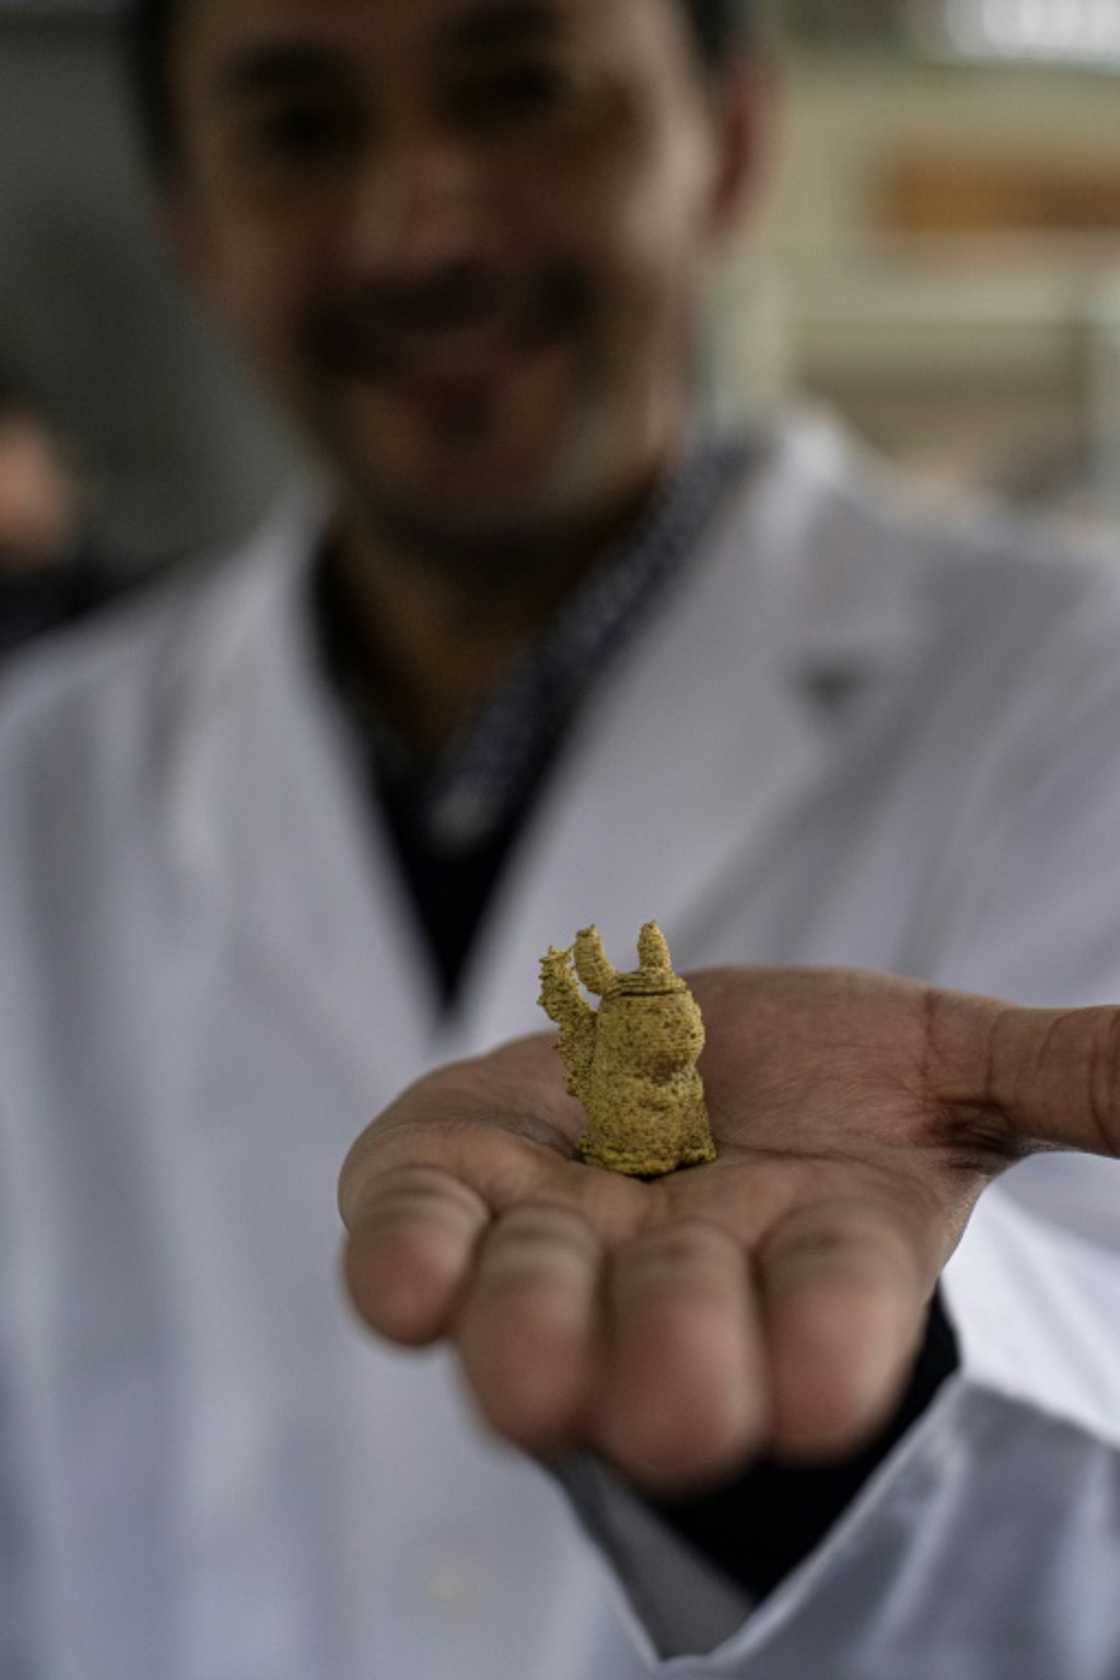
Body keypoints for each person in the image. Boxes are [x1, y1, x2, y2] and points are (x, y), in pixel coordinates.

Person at [0, 0, 1117, 1675]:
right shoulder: (38, 779)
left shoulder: (1072, 699)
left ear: (726, 141)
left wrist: (888, 1389)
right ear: (196, 230)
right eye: (299, 128)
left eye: (525, 93)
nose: (423, 223)